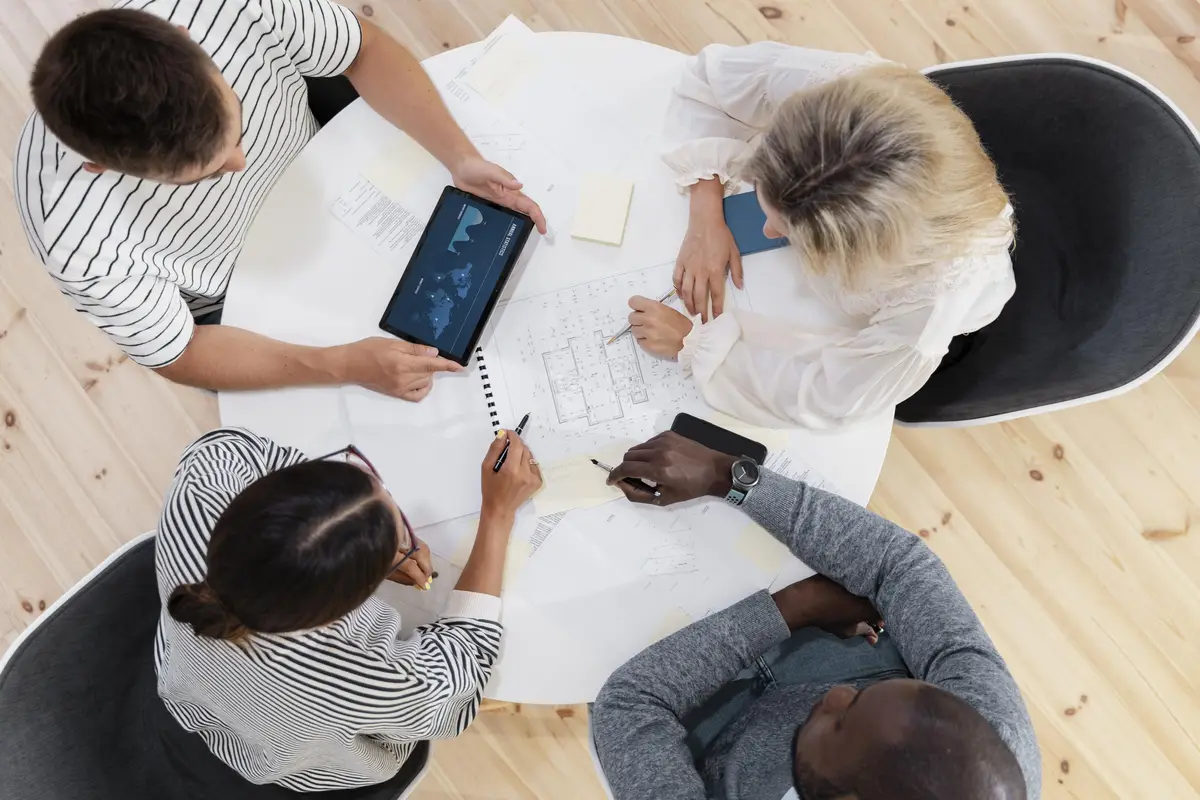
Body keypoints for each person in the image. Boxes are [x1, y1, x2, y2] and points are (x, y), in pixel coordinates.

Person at [15, 1, 546, 401]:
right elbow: (179, 350)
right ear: (100, 165)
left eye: (235, 133)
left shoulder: (228, 8)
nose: (240, 165)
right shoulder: (73, 238)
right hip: (238, 291)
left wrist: (458, 156)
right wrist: (341, 366)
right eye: (203, 175)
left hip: (323, 154)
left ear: (187, 38)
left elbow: (364, 48)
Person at [591, 432, 1040, 800]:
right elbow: (899, 565)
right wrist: (729, 477)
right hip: (848, 638)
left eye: (844, 719)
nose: (839, 695)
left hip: (701, 734)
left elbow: (630, 703)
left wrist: (795, 607)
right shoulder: (988, 753)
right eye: (864, 696)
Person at [626, 42, 1015, 429]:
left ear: (859, 253)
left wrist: (690, 346)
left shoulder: (931, 300)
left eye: (789, 229)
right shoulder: (830, 92)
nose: (767, 231)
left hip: (886, 314)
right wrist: (705, 213)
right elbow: (710, 82)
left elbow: (829, 398)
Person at [154, 426, 541, 791]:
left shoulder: (201, 487)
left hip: (189, 686)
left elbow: (231, 446)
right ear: (346, 607)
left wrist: (355, 543)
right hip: (293, 762)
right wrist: (497, 514)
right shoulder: (351, 667)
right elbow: (459, 681)